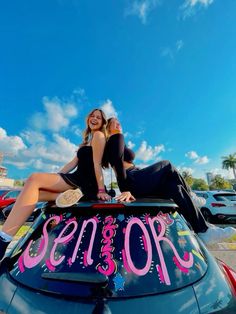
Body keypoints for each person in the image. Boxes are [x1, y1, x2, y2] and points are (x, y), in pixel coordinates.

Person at [103, 117, 236, 245]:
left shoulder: (115, 142)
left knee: (175, 187)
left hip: (135, 180)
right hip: (132, 179)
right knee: (167, 164)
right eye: (114, 123)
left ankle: (203, 231)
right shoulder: (116, 138)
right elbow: (117, 165)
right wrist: (125, 188)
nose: (118, 124)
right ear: (108, 128)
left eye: (118, 122)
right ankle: (191, 195)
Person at [0, 109, 111, 260]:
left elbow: (97, 164)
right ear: (88, 119)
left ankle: (3, 240)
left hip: (85, 182)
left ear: (103, 122)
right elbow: (72, 163)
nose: (95, 119)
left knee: (34, 178)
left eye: (99, 117)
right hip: (75, 179)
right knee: (35, 193)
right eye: (92, 116)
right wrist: (55, 177)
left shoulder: (99, 136)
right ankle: (67, 196)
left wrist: (101, 189)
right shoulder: (85, 142)